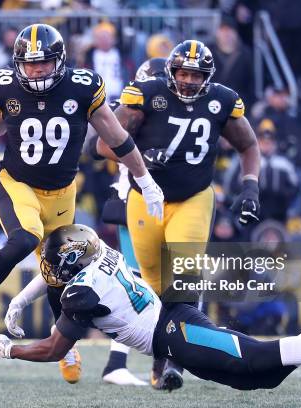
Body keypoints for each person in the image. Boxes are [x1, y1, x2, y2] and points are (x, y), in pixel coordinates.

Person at [0, 24, 164, 385]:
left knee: (62, 272)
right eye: (29, 64)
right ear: (17, 63)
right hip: (16, 181)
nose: (36, 70)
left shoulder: (83, 87)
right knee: (25, 238)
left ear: (60, 61)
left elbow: (117, 138)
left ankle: (65, 345)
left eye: (44, 64)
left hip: (61, 190)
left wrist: (145, 180)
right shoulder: (4, 85)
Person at [0, 224, 301, 394]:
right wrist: (22, 300)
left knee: (256, 356)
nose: (51, 270)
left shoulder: (79, 293)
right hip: (170, 328)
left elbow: (53, 349)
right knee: (260, 379)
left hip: (173, 329)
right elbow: (55, 279)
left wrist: (10, 349)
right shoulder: (102, 255)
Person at [95, 40, 261, 389]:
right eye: (183, 72)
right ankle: (160, 360)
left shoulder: (222, 101)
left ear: (208, 77)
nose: (187, 80)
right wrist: (138, 158)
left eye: (196, 74)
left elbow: (248, 145)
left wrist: (250, 186)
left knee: (182, 275)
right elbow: (102, 145)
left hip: (193, 197)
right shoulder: (146, 94)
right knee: (152, 286)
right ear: (170, 71)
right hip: (146, 199)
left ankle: (174, 361)